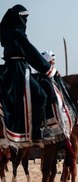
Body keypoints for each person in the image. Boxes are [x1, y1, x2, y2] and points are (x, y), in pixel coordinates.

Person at [0, 5, 58, 143]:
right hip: (18, 69)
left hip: (11, 67)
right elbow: (31, 53)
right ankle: (37, 132)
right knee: (41, 95)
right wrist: (48, 69)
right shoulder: (16, 32)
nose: (25, 21)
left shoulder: (7, 31)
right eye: (24, 18)